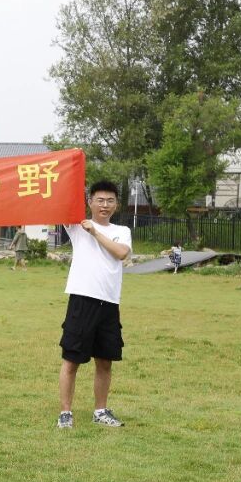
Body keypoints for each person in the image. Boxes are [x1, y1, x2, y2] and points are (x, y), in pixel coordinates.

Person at [58, 180, 133, 430]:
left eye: (110, 201)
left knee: (105, 360)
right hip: (82, 299)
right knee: (71, 359)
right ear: (90, 202)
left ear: (116, 205)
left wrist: (95, 232)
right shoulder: (77, 227)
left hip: (109, 302)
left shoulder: (121, 230)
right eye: (100, 200)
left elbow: (121, 253)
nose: (105, 205)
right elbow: (61, 202)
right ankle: (65, 413)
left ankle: (100, 411)